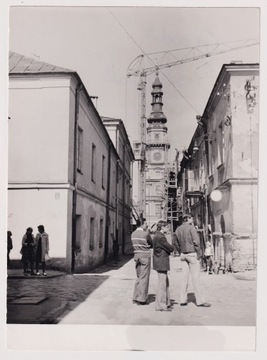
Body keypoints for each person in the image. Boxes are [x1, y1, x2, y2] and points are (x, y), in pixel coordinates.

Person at [174, 214, 211, 307]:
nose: (193, 219)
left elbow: (175, 243)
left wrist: (180, 251)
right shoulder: (191, 228)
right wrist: (199, 254)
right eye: (191, 218)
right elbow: (196, 242)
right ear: (187, 219)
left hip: (183, 254)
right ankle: (200, 301)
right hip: (192, 253)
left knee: (184, 278)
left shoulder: (178, 229)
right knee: (196, 278)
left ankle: (182, 300)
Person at [152, 221, 174, 311]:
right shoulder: (161, 237)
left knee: (165, 283)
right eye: (167, 227)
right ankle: (161, 305)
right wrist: (172, 247)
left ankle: (166, 302)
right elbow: (170, 248)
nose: (168, 229)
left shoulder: (157, 235)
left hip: (159, 262)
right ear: (162, 227)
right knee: (162, 285)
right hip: (161, 262)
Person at [131, 217, 153, 305]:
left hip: (137, 256)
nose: (147, 225)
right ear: (143, 224)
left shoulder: (133, 234)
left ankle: (135, 297)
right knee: (144, 278)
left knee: (139, 277)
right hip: (145, 256)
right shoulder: (145, 234)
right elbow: (151, 243)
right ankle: (141, 299)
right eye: (146, 223)